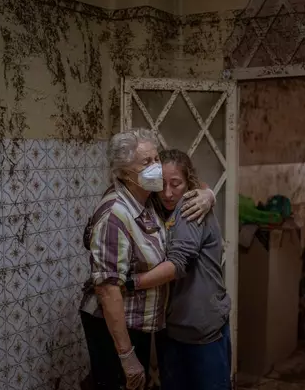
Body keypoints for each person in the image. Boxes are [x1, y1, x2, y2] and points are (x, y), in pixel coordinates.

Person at [79, 129, 215, 390]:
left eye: (156, 159)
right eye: (147, 162)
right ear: (124, 172)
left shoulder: (148, 198)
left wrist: (208, 196)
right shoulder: (115, 215)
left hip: (138, 323)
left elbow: (193, 183)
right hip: (113, 327)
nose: (156, 167)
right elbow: (107, 290)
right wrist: (127, 357)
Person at [125, 149, 232, 390]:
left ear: (188, 182)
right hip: (173, 327)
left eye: (176, 184)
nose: (168, 193)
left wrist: (131, 283)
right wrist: (209, 192)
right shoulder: (157, 205)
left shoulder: (190, 205)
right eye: (161, 184)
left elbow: (178, 264)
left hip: (200, 327)